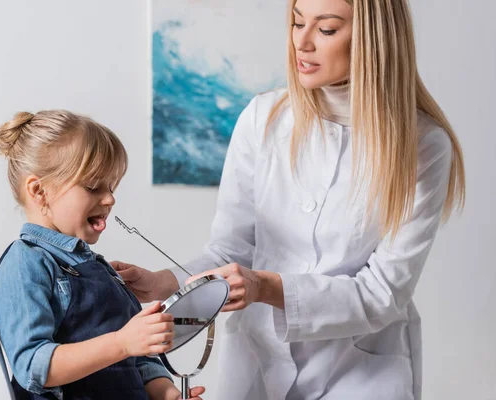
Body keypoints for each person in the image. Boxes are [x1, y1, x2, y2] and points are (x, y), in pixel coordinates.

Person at [110, 0, 466, 399]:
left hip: (362, 370)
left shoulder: (423, 146)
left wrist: (266, 287)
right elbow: (231, 250)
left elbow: (382, 294)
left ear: (374, 39)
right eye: (297, 23)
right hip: (257, 359)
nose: (303, 42)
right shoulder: (263, 118)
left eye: (326, 29)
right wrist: (164, 283)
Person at [0, 110, 205, 400]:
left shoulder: (97, 268)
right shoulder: (25, 263)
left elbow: (139, 359)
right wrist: (122, 343)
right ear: (39, 191)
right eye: (93, 187)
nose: (110, 198)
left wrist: (167, 394)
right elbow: (33, 366)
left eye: (112, 187)